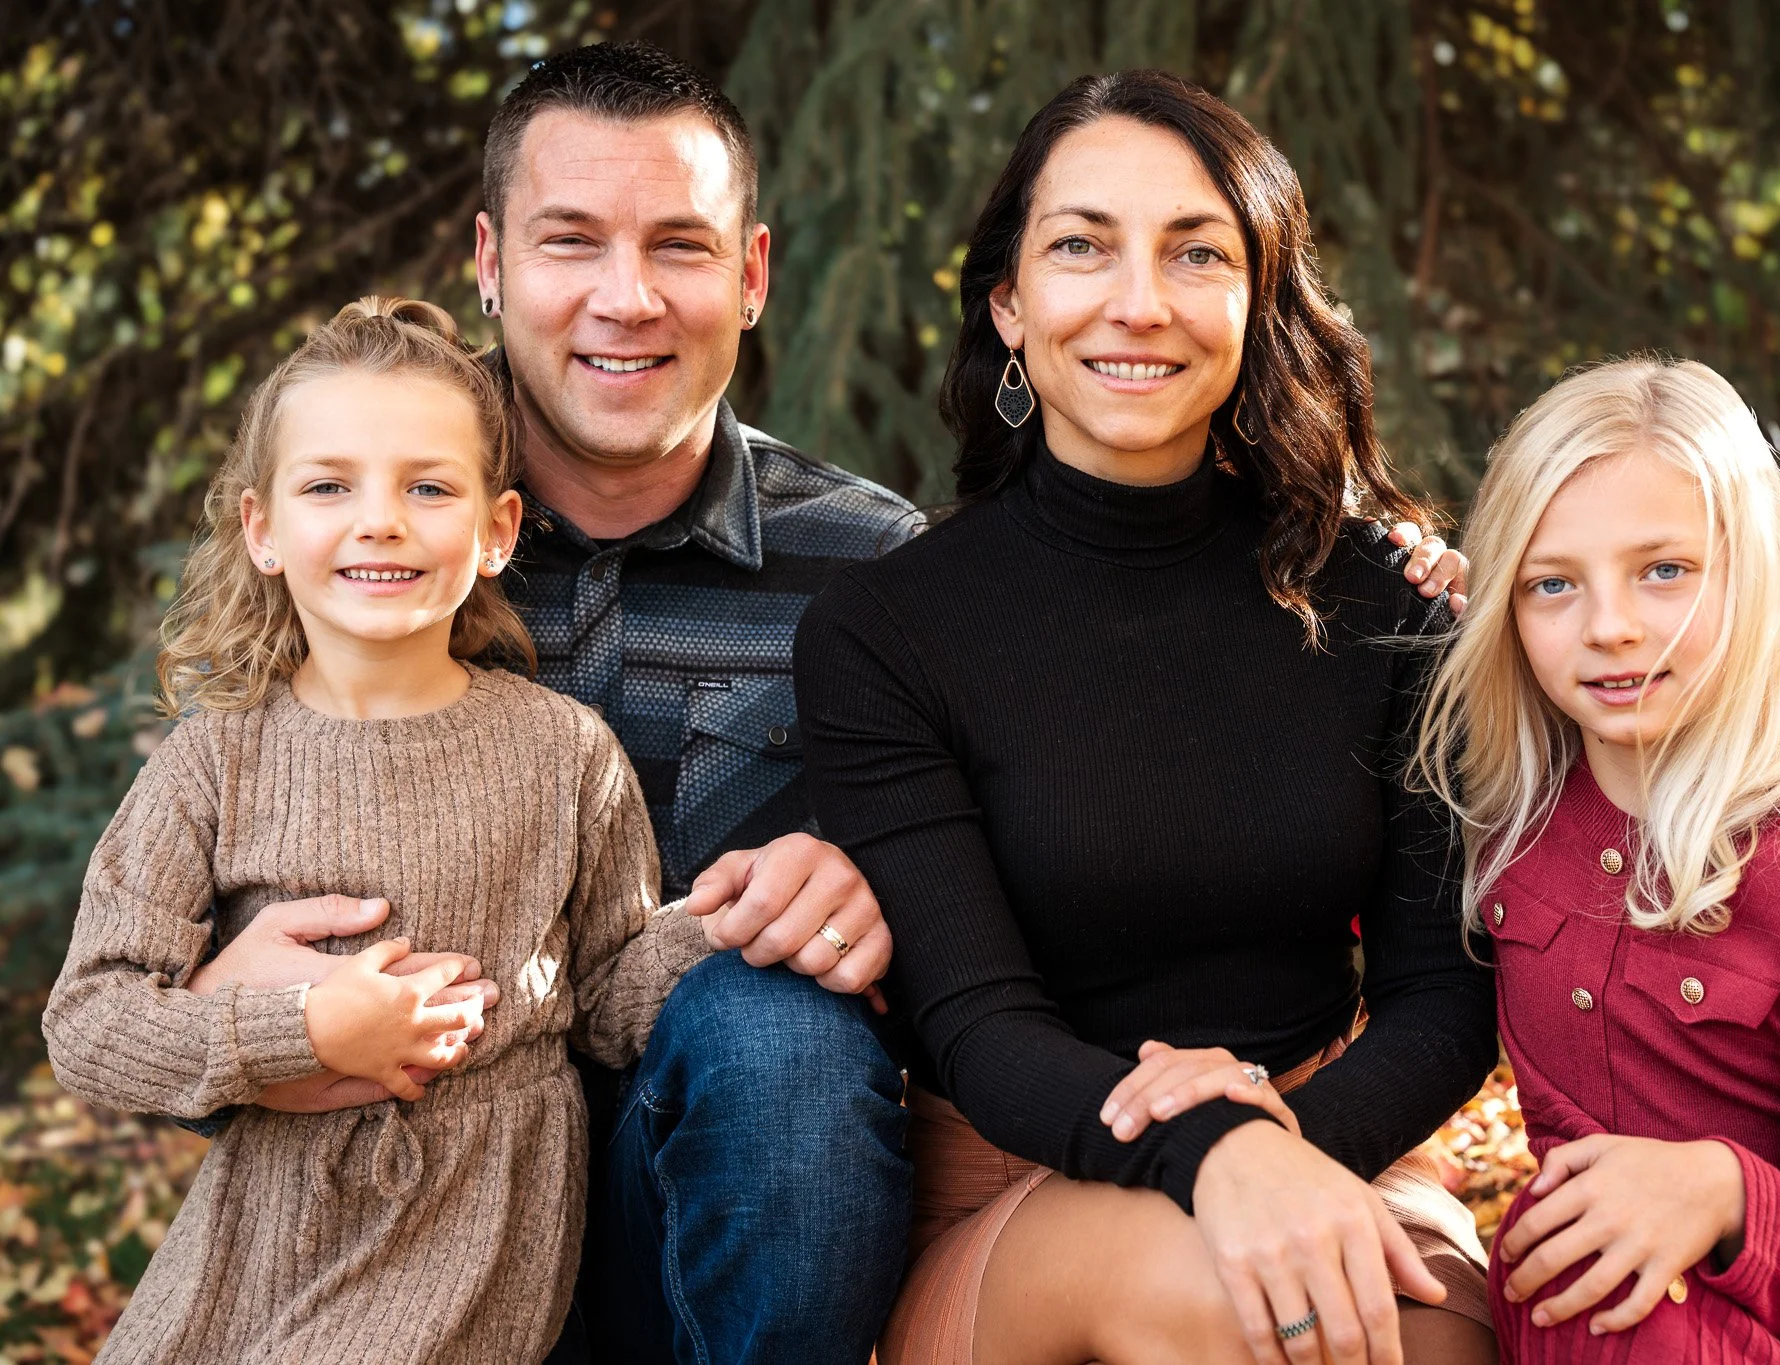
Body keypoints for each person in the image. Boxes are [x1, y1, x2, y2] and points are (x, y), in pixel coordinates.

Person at [172, 42, 1471, 1363]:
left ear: (750, 277)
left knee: (772, 1025)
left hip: (736, 1205)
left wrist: (864, 888)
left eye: (679, 245)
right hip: (402, 1212)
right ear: (491, 260)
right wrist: (231, 1010)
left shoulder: (867, 565)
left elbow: (1026, 815)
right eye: (572, 242)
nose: (625, 298)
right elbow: (166, 947)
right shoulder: (361, 548)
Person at [794, 70, 1499, 1365]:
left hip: (1324, 1150)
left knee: (1421, 1343)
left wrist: (1278, 1149)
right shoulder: (886, 631)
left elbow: (1443, 998)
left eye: (1196, 253)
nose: (1139, 302)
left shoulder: (1381, 600)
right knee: (1223, 1309)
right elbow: (979, 1025)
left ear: (1255, 302)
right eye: (1081, 247)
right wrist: (1208, 1146)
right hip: (1023, 1184)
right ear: (1009, 303)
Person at [43, 297, 711, 1363]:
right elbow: (89, 1027)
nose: (379, 520)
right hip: (251, 1231)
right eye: (328, 486)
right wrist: (301, 1032)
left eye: (427, 488)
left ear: (495, 531)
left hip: (462, 1233)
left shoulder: (560, 752)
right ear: (262, 529)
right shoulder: (215, 761)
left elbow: (607, 996)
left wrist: (728, 925)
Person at [1411, 356, 1780, 1361]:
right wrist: (1396, 587)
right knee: (1587, 1294)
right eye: (1550, 584)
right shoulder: (1501, 802)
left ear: (1750, 568)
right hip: (1583, 1306)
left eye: (1662, 570)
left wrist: (1717, 1192)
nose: (1610, 627)